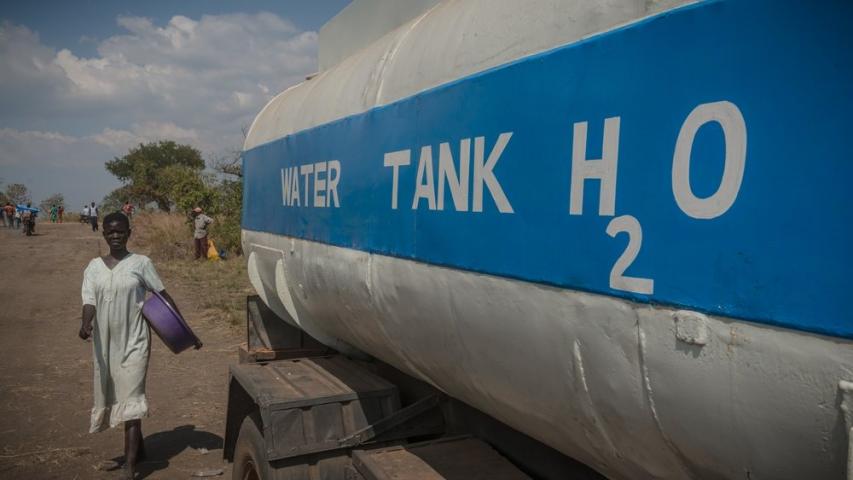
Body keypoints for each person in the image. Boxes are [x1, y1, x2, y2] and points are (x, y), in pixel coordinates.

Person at [78, 212, 187, 479]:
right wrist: (85, 323)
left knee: (132, 396)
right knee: (116, 392)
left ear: (129, 232)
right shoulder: (93, 267)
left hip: (135, 340)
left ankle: (129, 466)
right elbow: (89, 300)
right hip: (105, 345)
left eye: (120, 231)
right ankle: (139, 451)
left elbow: (162, 295)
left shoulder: (141, 263)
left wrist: (184, 330)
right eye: (110, 232)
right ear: (103, 234)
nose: (115, 236)